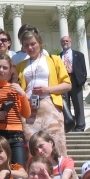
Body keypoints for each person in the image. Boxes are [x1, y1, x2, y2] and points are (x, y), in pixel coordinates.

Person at [15, 29, 72, 157]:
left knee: (56, 142)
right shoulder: (20, 66)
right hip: (28, 107)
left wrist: (48, 90)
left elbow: (68, 85)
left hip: (49, 104)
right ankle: (36, 174)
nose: (30, 47)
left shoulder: (54, 60)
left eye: (32, 43)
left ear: (40, 43)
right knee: (32, 145)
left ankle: (63, 173)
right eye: (26, 45)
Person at [60, 36, 87, 132]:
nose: (65, 42)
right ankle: (69, 126)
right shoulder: (58, 56)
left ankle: (80, 126)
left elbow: (83, 69)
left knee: (78, 104)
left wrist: (82, 80)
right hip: (64, 81)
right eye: (63, 41)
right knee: (65, 105)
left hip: (75, 81)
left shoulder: (78, 55)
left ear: (70, 42)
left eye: (67, 41)